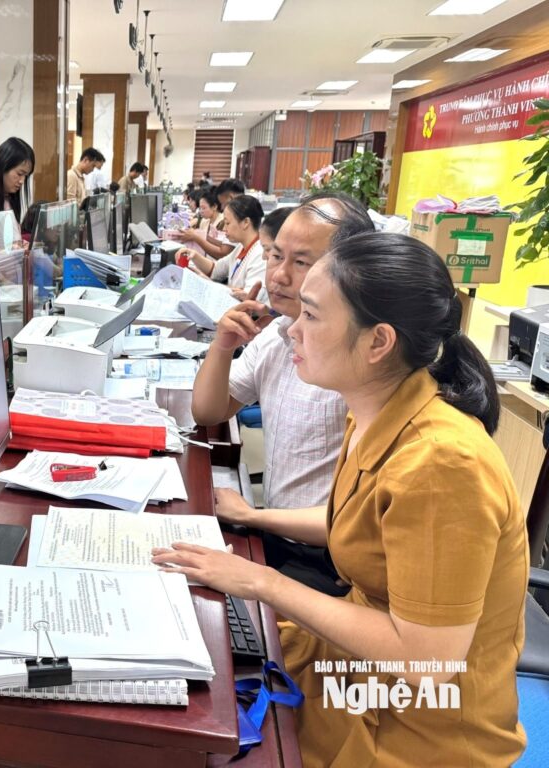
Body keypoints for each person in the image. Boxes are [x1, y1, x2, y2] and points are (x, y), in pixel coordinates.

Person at [155, 231, 527, 767]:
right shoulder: (377, 409)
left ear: (378, 343)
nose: (292, 329)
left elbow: (427, 663)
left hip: (414, 728)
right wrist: (255, 519)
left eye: (311, 315)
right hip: (354, 673)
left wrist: (260, 582)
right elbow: (361, 525)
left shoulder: (441, 463)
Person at [190, 193, 374, 594]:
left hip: (332, 563)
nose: (279, 276)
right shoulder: (277, 333)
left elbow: (360, 524)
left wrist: (252, 517)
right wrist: (223, 346)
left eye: (302, 263)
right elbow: (207, 412)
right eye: (275, 256)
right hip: (279, 536)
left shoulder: (361, 365)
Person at [200, 195, 267, 302]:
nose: (225, 228)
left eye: (227, 223)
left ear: (245, 223)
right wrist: (193, 255)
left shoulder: (260, 254)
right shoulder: (241, 247)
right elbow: (216, 270)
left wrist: (209, 284)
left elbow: (248, 298)